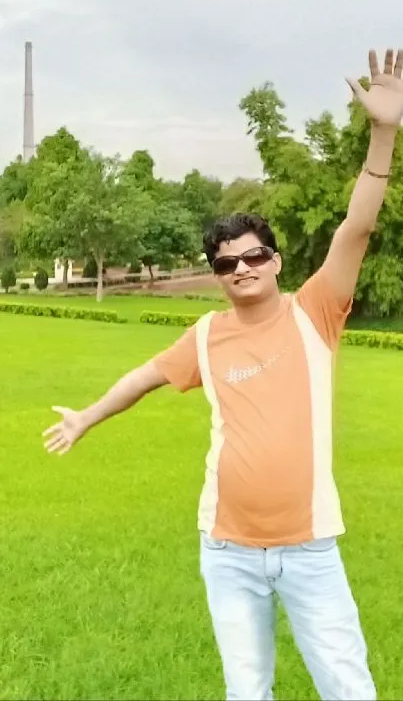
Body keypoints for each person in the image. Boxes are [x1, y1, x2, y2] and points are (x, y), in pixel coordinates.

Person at [44, 49, 403, 701]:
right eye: (225, 262)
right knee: (245, 690)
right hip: (227, 549)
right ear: (216, 272)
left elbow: (356, 227)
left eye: (252, 256)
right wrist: (86, 417)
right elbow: (145, 375)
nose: (240, 269)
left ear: (274, 260)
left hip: (309, 548)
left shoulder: (314, 312)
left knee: (348, 686)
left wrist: (383, 133)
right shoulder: (205, 334)